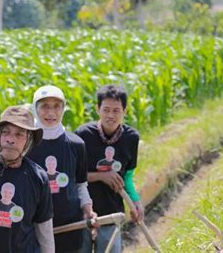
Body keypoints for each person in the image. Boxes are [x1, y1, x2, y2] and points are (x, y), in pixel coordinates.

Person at [0, 105, 55, 253]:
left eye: (19, 134)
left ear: (29, 140)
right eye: (6, 132)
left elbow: (43, 228)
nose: (11, 140)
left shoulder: (38, 177)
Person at [26, 85, 97, 253]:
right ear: (35, 108)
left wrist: (88, 209)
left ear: (63, 109)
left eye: (56, 106)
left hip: (70, 226)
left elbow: (81, 185)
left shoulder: (76, 144)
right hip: (33, 228)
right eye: (45, 106)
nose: (51, 112)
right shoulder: (26, 144)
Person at [76, 84, 144, 253]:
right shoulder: (82, 135)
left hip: (111, 211)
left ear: (125, 111)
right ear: (98, 109)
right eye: (106, 110)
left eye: (116, 110)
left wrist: (135, 202)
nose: (110, 115)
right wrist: (101, 176)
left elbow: (127, 177)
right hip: (81, 212)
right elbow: (72, 176)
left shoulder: (131, 138)